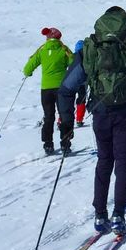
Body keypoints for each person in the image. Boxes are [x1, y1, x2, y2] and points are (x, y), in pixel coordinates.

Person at [58, 6, 126, 236]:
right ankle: (118, 214)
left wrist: (66, 122)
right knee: (124, 162)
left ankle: (99, 214)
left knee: (104, 160)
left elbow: (66, 88)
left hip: (101, 112)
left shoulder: (91, 47)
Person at [23, 27, 74, 156]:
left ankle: (48, 144)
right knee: (64, 115)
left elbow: (28, 67)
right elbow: (73, 63)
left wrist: (28, 73)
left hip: (46, 89)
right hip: (62, 88)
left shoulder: (42, 49)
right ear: (58, 37)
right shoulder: (64, 49)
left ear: (48, 38)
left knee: (48, 116)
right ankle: (65, 143)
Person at [73, 39, 88, 127]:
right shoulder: (86, 58)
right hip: (83, 82)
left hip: (72, 82)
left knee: (69, 101)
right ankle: (79, 119)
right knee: (81, 99)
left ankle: (61, 119)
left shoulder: (73, 57)